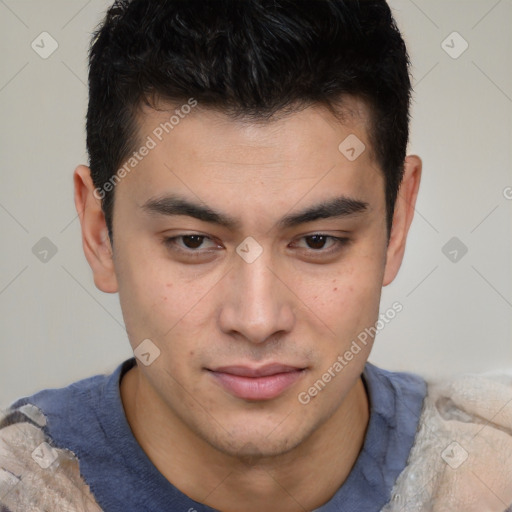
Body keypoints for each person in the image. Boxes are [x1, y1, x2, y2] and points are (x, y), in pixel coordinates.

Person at [1, 0, 511, 510]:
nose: (258, 319)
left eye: (317, 240)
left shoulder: (488, 479)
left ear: (395, 225)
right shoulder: (22, 489)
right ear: (99, 233)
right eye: (193, 241)